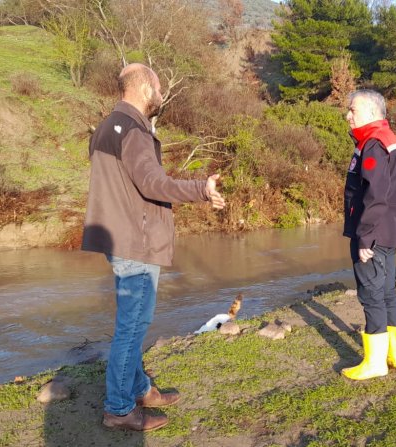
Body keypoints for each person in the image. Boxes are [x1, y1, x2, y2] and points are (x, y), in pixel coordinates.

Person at [81, 63, 226, 431]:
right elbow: (152, 183)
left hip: (121, 238)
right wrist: (201, 190)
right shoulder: (134, 130)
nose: (161, 96)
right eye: (159, 89)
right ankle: (118, 409)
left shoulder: (106, 127)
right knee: (131, 328)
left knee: (133, 323)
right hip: (136, 241)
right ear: (146, 89)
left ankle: (140, 390)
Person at [341, 89, 396, 380]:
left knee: (371, 295)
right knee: (388, 291)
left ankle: (375, 363)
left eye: (353, 110)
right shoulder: (389, 140)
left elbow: (375, 195)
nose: (348, 115)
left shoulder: (373, 144)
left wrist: (365, 237)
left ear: (370, 112)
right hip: (389, 230)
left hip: (373, 233)